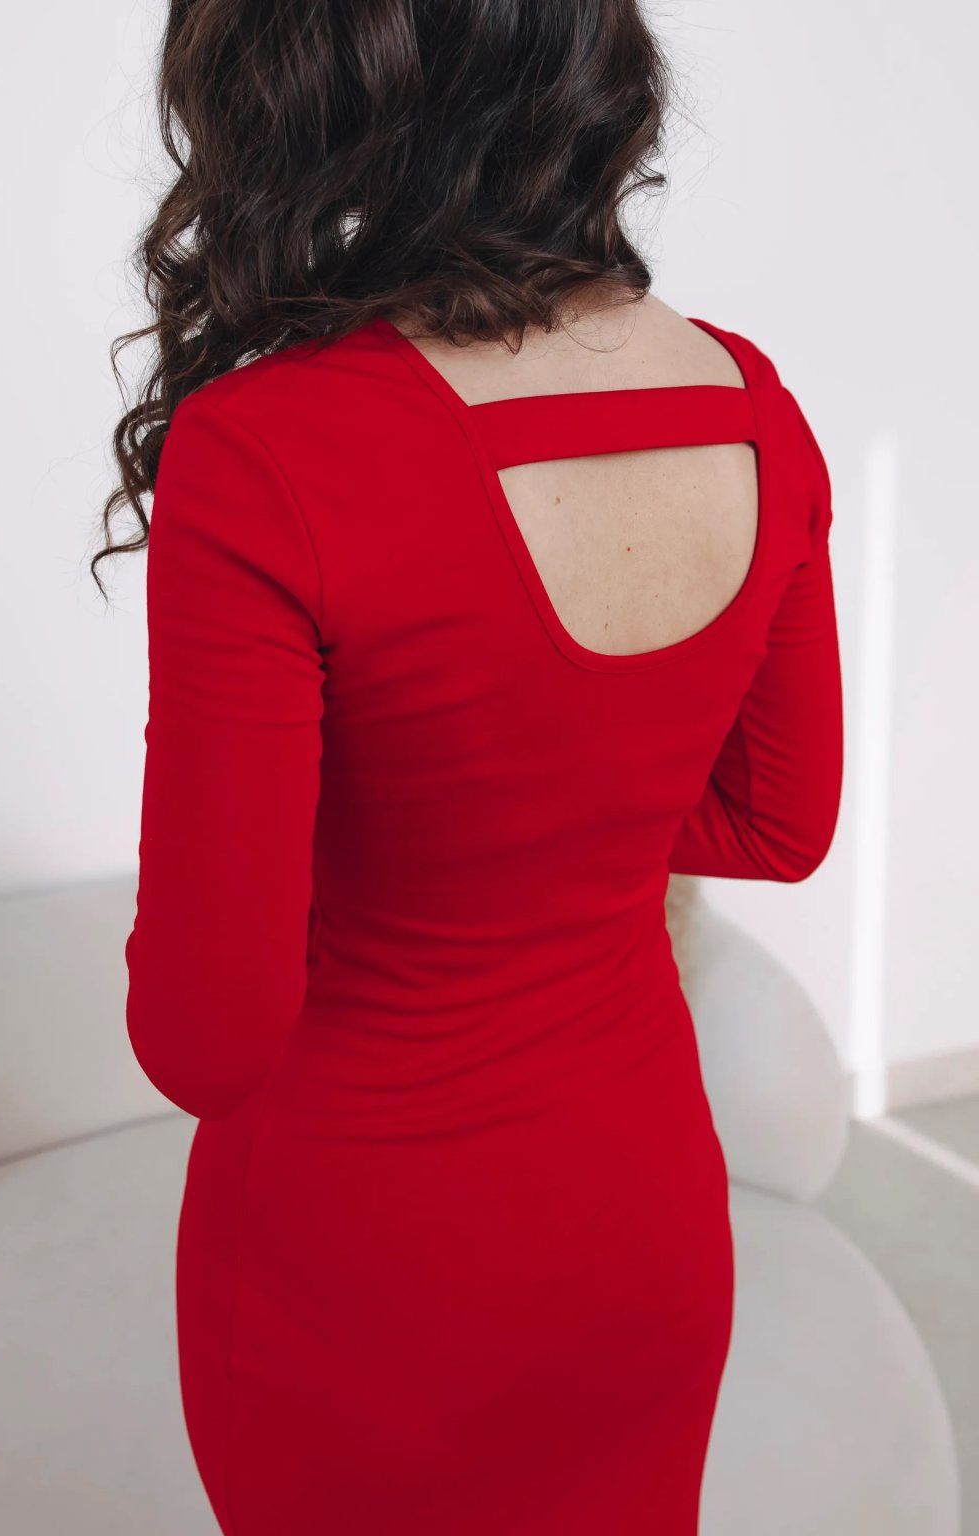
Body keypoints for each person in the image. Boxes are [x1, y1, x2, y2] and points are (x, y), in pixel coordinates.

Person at [96, 2, 843, 1531]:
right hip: (639, 1227)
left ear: (297, 92)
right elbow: (778, 821)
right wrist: (545, 817)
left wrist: (410, 835)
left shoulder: (268, 451)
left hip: (362, 1281)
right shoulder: (751, 402)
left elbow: (206, 1039)